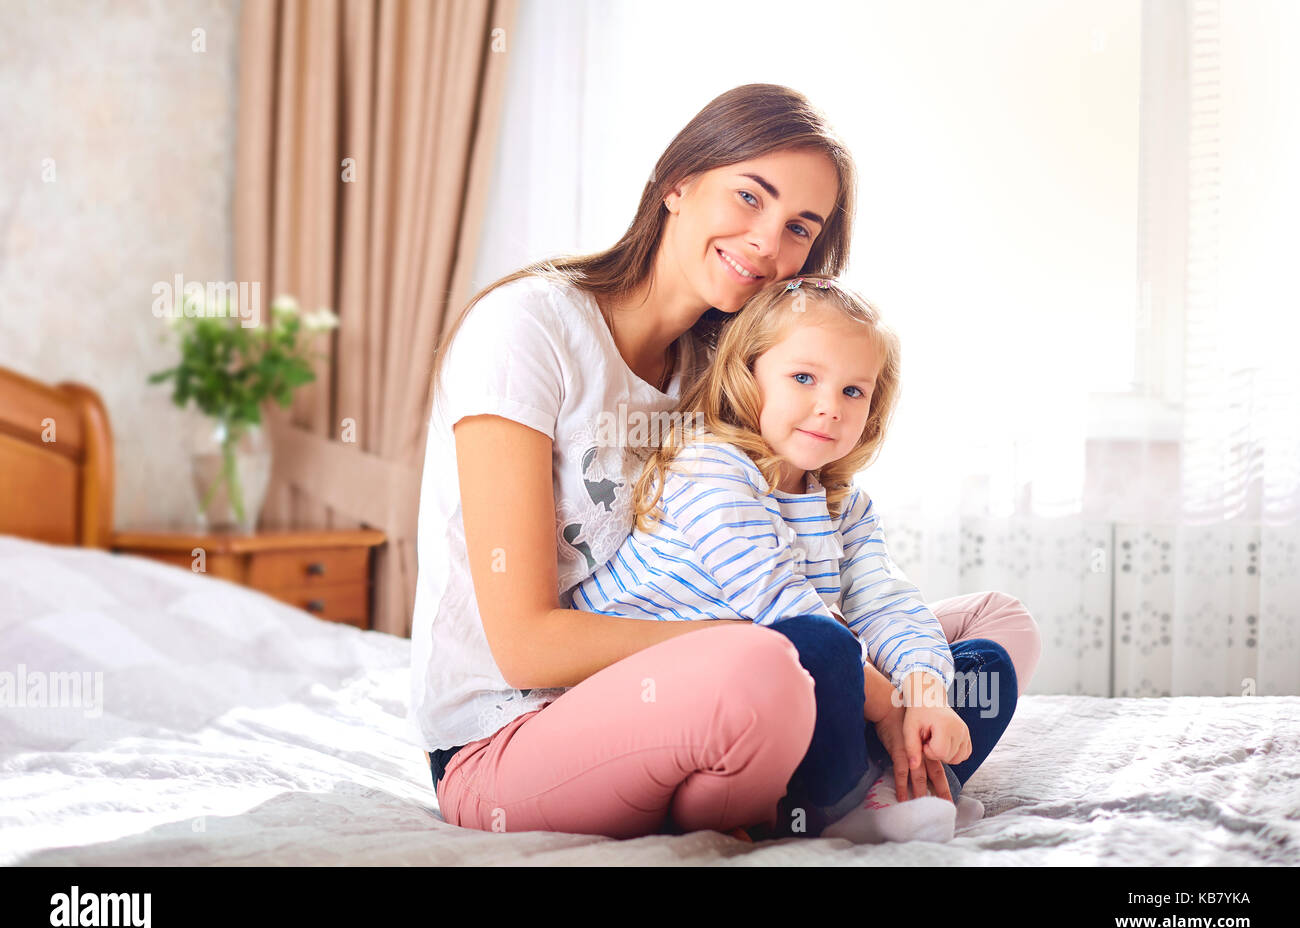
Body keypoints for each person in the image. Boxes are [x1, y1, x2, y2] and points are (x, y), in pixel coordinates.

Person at [411, 83, 1042, 840]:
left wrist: (910, 688)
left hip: (714, 667)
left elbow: (832, 565)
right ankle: (829, 782)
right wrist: (828, 668)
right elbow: (524, 647)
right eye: (749, 196)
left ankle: (875, 779)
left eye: (799, 228)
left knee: (993, 630)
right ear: (678, 183)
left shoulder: (727, 370)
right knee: (783, 663)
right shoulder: (530, 329)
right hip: (515, 729)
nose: (767, 243)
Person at [569, 275, 990, 843]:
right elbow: (777, 603)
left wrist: (923, 694)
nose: (829, 407)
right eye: (803, 378)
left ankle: (905, 784)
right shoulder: (709, 466)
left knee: (985, 666)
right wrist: (889, 709)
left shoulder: (848, 507)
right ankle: (839, 804)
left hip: (780, 683)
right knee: (818, 644)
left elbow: (885, 603)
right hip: (656, 697)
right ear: (748, 376)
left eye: (853, 391)